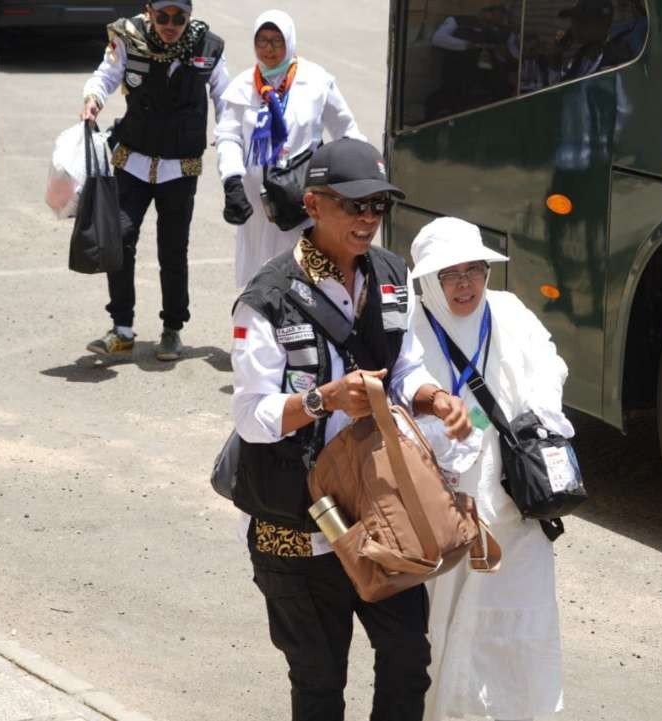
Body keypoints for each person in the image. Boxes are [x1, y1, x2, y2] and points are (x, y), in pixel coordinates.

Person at [229, 138, 473, 721]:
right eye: (353, 205)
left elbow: (405, 364)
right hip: (300, 519)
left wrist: (435, 397)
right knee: (318, 682)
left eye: (377, 207)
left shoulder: (391, 275)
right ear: (314, 205)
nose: (368, 219)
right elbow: (251, 416)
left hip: (383, 509)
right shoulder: (266, 299)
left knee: (408, 660)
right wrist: (323, 399)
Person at [408, 217, 575, 721]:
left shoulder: (508, 310)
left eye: (475, 270)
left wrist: (540, 412)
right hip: (444, 509)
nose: (465, 285)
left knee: (517, 620)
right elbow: (400, 400)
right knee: (447, 619)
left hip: (513, 503)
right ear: (428, 282)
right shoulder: (412, 326)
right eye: (450, 275)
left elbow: (549, 360)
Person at [80, 0, 229, 360]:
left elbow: (226, 97)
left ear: (189, 16)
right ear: (149, 11)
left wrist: (229, 139)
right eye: (162, 16)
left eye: (179, 17)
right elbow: (106, 73)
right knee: (120, 238)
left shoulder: (208, 47)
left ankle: (172, 329)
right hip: (133, 159)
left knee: (173, 250)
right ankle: (122, 328)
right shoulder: (129, 38)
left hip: (180, 167)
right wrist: (93, 100)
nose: (170, 24)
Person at [215, 10, 365, 296]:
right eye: (262, 41)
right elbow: (228, 137)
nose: (269, 49)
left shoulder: (316, 82)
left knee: (301, 267)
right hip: (255, 202)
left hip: (300, 198)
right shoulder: (243, 86)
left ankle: (301, 333)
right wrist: (231, 180)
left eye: (276, 41)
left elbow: (346, 130)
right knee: (258, 269)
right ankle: (259, 328)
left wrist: (362, 173)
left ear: (290, 42)